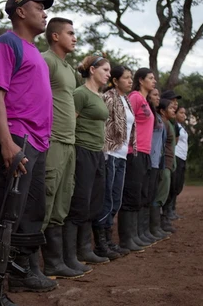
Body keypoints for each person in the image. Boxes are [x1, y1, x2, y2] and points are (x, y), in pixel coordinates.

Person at [0, 0, 56, 305]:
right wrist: (6, 144)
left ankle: (23, 273)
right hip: (15, 137)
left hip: (36, 141)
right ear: (20, 12)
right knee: (3, 216)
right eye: (38, 8)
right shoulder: (6, 44)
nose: (44, 13)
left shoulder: (34, 51)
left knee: (29, 211)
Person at [39, 17, 89, 279]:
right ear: (55, 36)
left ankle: (55, 263)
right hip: (53, 140)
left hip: (70, 142)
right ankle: (24, 267)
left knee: (61, 203)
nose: (75, 37)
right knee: (45, 201)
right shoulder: (45, 60)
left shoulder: (68, 69)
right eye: (70, 33)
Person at [64, 53, 113, 271]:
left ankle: (85, 249)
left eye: (109, 71)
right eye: (105, 70)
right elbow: (69, 124)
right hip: (82, 151)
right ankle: (70, 255)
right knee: (80, 201)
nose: (108, 74)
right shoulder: (80, 93)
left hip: (97, 153)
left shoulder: (100, 96)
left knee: (94, 201)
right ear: (92, 70)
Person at [94, 65, 137, 259]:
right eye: (126, 78)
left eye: (131, 78)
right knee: (107, 198)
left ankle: (109, 240)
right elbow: (102, 125)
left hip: (121, 155)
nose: (130, 81)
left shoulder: (126, 100)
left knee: (116, 199)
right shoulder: (109, 97)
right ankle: (101, 244)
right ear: (115, 80)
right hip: (110, 153)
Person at [119, 68, 157, 251]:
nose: (154, 81)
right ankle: (127, 239)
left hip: (145, 153)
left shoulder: (145, 102)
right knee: (131, 193)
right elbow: (122, 120)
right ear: (141, 80)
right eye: (150, 78)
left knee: (141, 194)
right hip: (133, 151)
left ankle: (136, 235)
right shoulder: (134, 97)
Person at [146, 89, 171, 240]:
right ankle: (149, 228)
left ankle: (152, 228)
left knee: (153, 193)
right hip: (148, 160)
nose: (158, 98)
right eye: (155, 95)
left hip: (157, 161)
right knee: (148, 195)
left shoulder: (158, 118)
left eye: (158, 95)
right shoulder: (150, 115)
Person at [155, 99, 178, 234]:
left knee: (164, 194)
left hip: (168, 164)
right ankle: (156, 226)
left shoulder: (169, 123)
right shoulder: (163, 123)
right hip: (163, 164)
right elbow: (160, 146)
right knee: (160, 195)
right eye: (170, 108)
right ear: (162, 111)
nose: (173, 110)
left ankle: (159, 224)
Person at [167, 106, 188, 219]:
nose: (184, 115)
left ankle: (173, 209)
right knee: (173, 184)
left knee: (179, 185)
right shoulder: (174, 126)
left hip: (183, 158)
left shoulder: (182, 127)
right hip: (177, 157)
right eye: (181, 113)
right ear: (175, 113)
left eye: (184, 113)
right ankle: (168, 211)